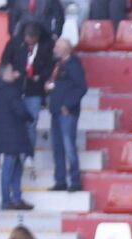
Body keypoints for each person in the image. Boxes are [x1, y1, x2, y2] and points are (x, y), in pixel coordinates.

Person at [42, 38, 89, 194]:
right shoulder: (58, 65)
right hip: (55, 111)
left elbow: (82, 87)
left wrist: (68, 105)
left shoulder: (74, 65)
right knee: (58, 148)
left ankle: (75, 181)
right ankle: (60, 180)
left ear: (65, 49)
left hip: (67, 113)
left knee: (69, 147)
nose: (54, 48)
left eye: (57, 46)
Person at [0, 63, 36, 210]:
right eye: (11, 71)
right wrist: (30, 117)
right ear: (5, 74)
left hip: (0, 134)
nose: (14, 73)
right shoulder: (10, 90)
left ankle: (15, 198)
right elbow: (19, 110)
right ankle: (8, 200)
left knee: (14, 167)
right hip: (13, 134)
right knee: (10, 168)